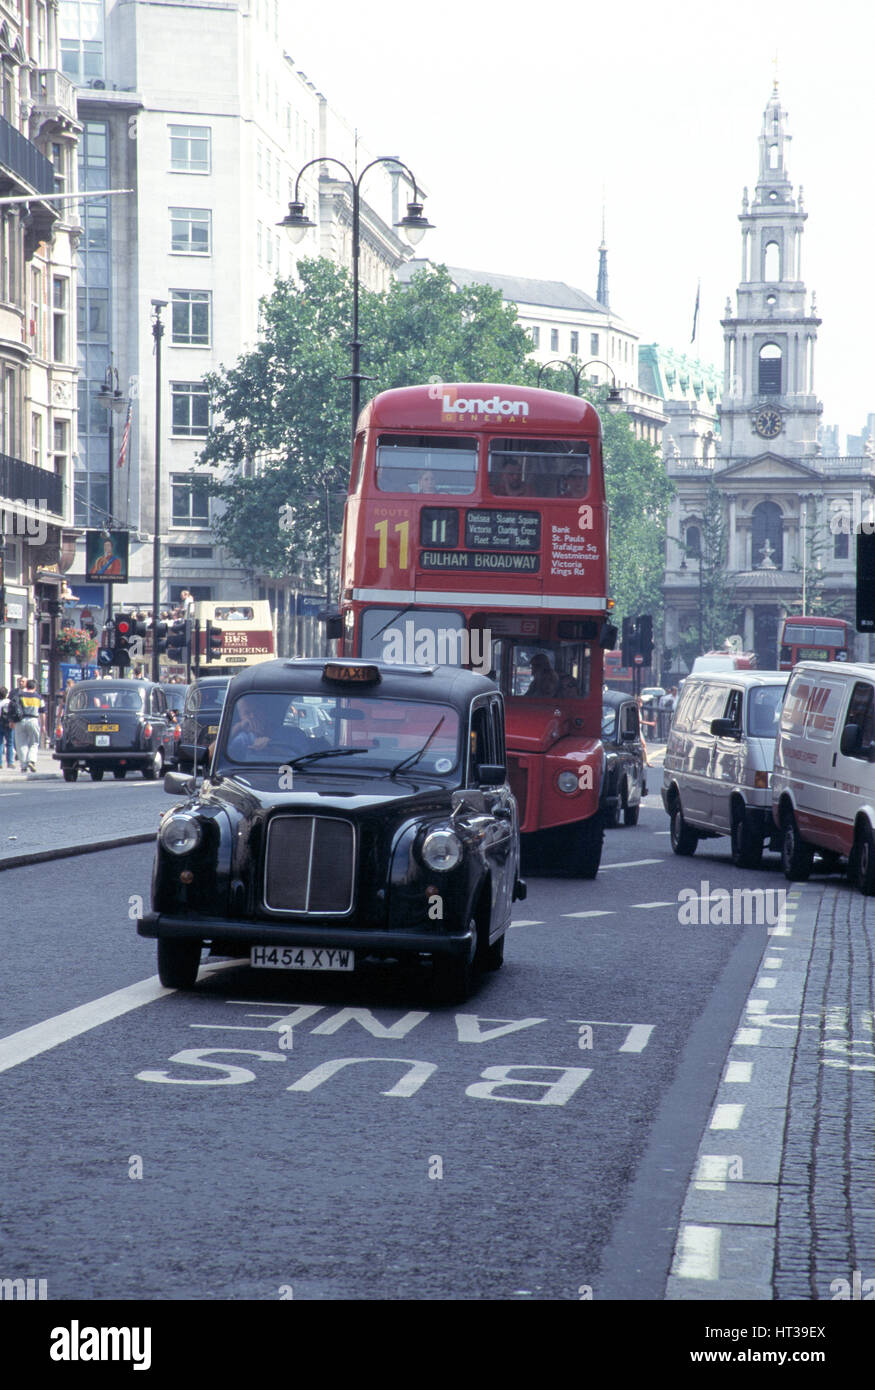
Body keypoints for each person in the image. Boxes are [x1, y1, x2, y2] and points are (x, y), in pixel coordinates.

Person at [226, 696, 310, 761]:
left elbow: (303, 760)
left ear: (265, 711)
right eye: (246, 713)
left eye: (256, 711)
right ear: (241, 716)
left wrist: (270, 746)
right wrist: (237, 728)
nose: (252, 716)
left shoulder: (293, 734)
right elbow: (215, 756)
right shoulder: (243, 738)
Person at [15, 679, 44, 773]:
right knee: (34, 742)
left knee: (21, 743)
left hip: (21, 720)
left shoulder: (20, 696)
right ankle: (31, 760)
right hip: (33, 720)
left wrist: (12, 721)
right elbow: (43, 712)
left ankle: (23, 765)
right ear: (35, 687)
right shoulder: (38, 698)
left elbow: (14, 708)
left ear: (26, 686)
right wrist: (43, 725)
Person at [0, 687, 16, 768]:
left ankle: (0, 763)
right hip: (8, 724)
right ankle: (10, 762)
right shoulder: (9, 702)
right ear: (6, 694)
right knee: (10, 743)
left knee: (0, 743)